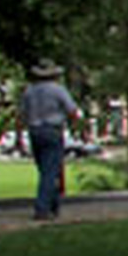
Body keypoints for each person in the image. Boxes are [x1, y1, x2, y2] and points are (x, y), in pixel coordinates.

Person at [19, 59, 79, 221]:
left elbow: (21, 115)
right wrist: (75, 126)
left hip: (34, 131)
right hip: (52, 130)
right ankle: (43, 208)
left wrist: (19, 137)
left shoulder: (29, 92)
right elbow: (72, 110)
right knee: (51, 171)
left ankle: (54, 205)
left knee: (45, 169)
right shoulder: (58, 90)